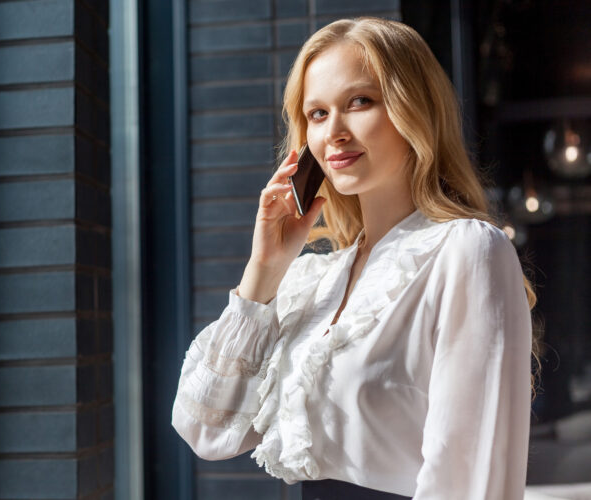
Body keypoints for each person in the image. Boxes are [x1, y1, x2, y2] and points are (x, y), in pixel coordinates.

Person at [171, 16, 540, 500]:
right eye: (317, 114)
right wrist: (264, 270)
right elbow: (204, 430)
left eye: (359, 102)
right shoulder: (313, 281)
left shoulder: (466, 251)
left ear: (414, 110)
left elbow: (468, 478)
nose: (334, 133)